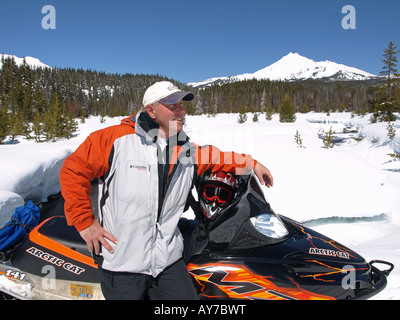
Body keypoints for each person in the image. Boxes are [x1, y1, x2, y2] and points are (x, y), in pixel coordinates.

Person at [59, 81, 273, 300]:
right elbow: (72, 172)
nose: (181, 111)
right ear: (151, 110)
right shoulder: (115, 140)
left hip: (167, 262)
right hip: (122, 263)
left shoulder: (184, 149)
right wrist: (84, 222)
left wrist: (252, 163)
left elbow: (217, 158)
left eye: (182, 105)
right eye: (173, 105)